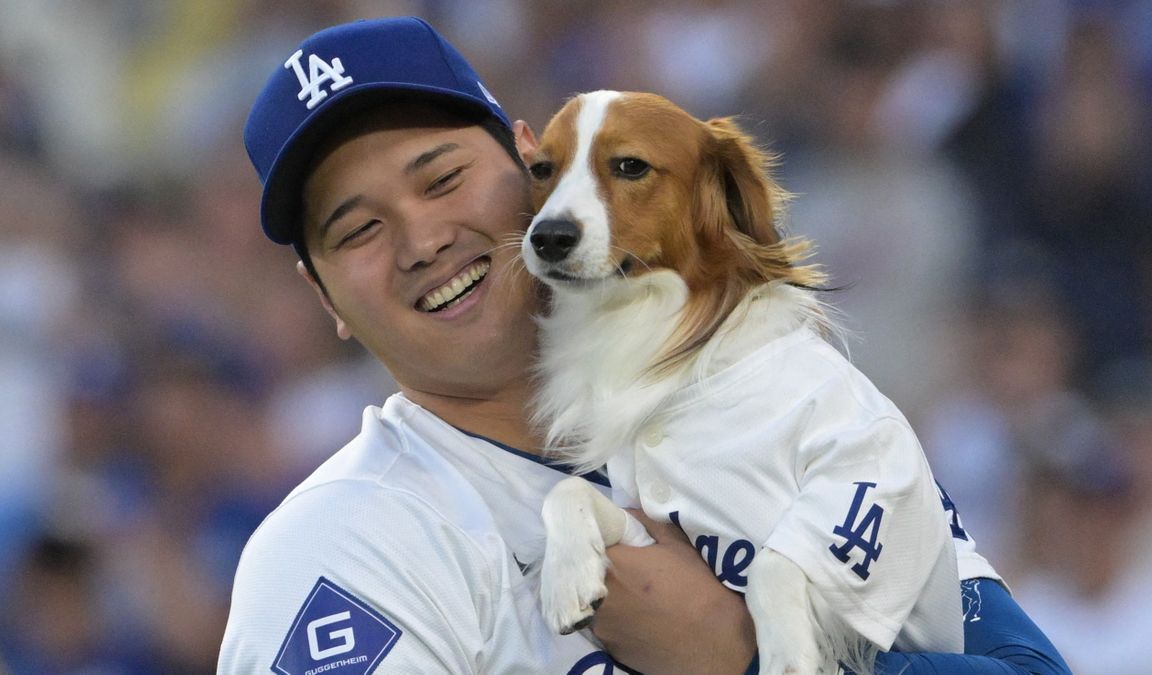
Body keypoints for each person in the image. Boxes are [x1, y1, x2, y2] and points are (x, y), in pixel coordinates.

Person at [219, 16, 1070, 674]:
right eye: (358, 230)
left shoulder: (790, 400)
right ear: (321, 294)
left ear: (535, 163)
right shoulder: (341, 550)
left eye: (442, 178)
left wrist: (738, 655)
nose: (422, 240)